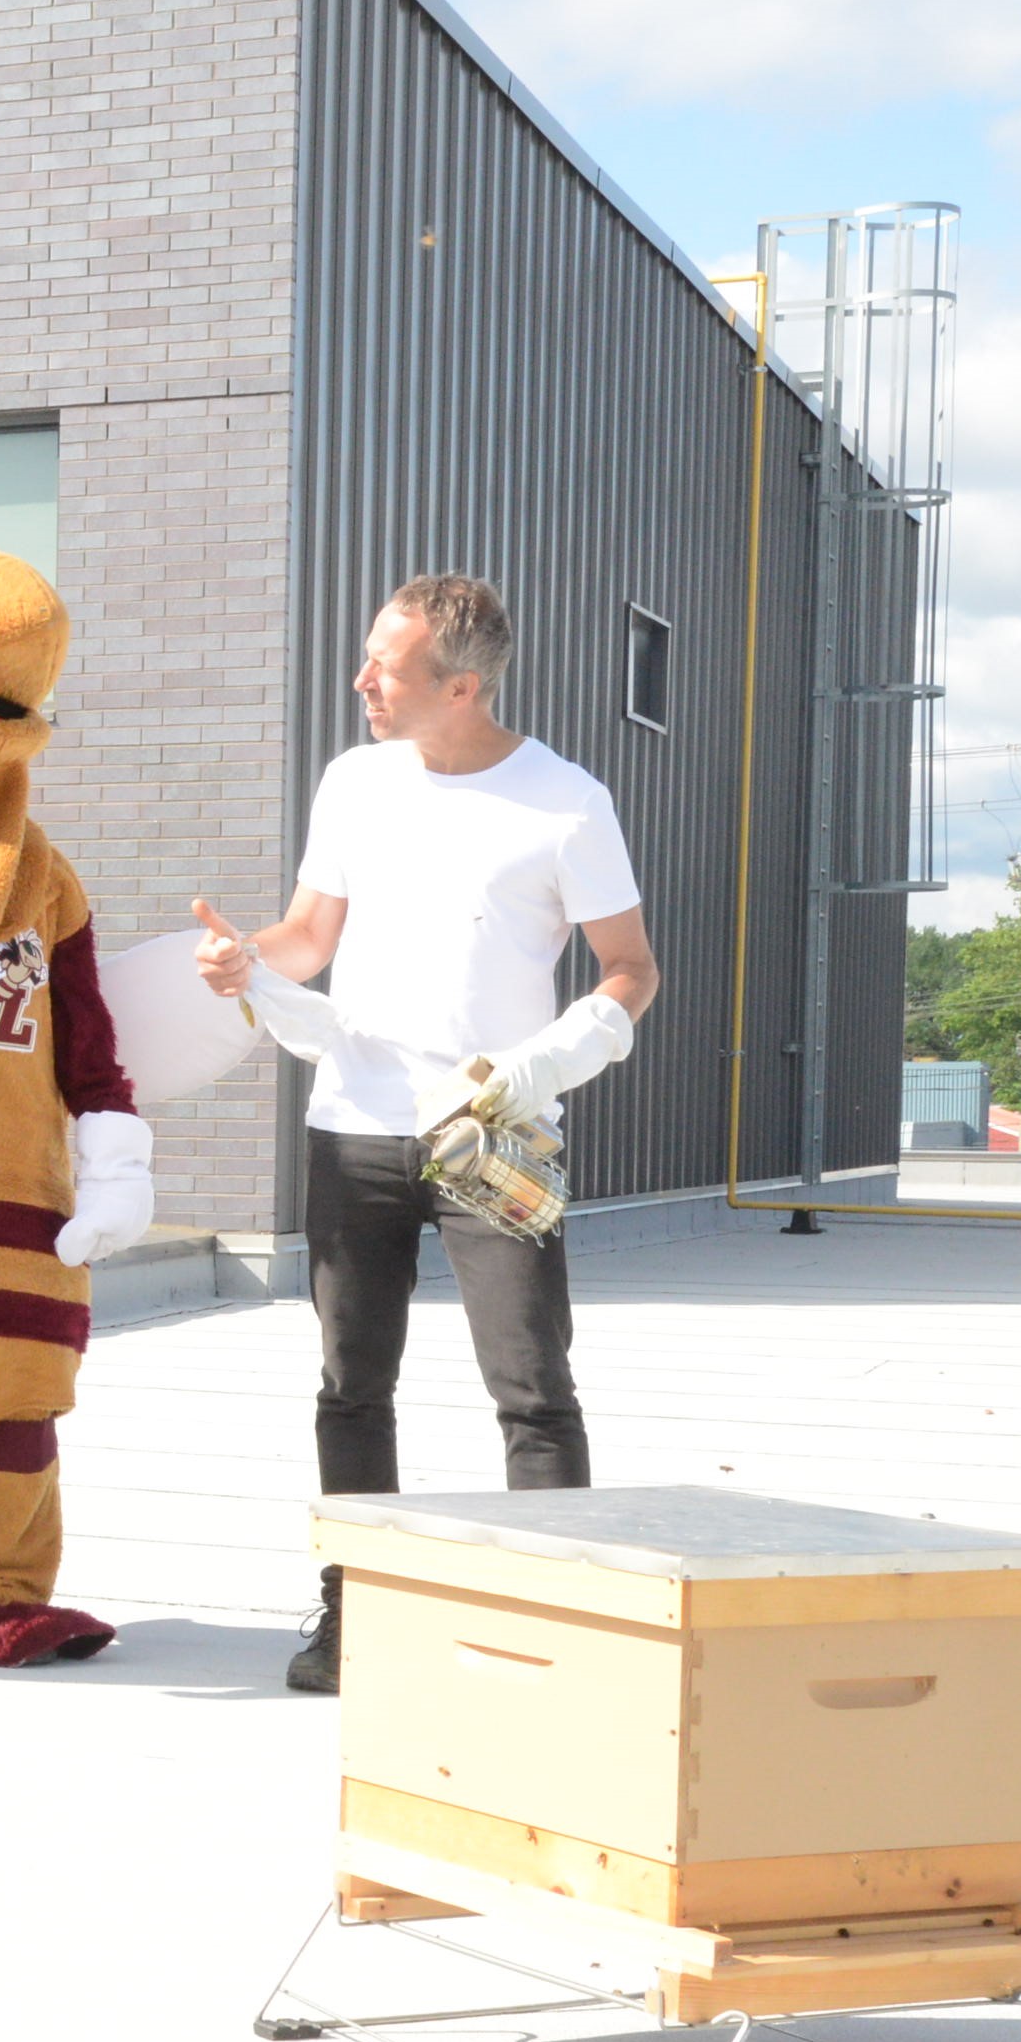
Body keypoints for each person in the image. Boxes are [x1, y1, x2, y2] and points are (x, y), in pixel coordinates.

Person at [193, 572, 660, 1694]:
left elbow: (631, 969)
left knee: (533, 1387)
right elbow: (308, 937)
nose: (362, 681)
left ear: (461, 685)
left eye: (384, 667)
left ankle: (560, 1624)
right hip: (353, 1124)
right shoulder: (354, 783)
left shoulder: (567, 801)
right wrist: (239, 963)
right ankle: (354, 1615)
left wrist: (540, 1066)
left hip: (499, 1138)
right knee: (351, 1384)